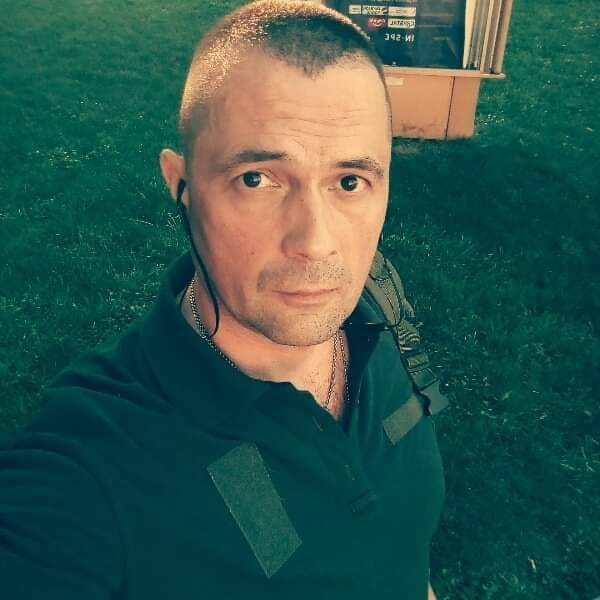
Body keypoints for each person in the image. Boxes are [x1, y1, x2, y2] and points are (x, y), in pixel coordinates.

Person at [0, 1, 448, 598]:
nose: (315, 243)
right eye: (257, 179)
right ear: (181, 186)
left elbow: (404, 553)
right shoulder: (92, 472)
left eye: (349, 182)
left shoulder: (380, 311)